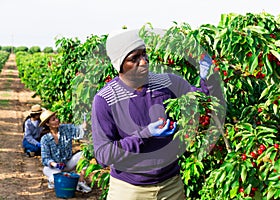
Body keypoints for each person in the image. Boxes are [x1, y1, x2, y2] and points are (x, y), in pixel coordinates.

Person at [91, 29, 212, 200]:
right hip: (130, 190)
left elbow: (202, 101)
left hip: (171, 185)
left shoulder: (167, 83)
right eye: (134, 58)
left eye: (144, 54)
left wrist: (207, 78)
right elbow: (103, 155)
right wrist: (145, 135)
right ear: (119, 64)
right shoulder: (105, 100)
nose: (144, 62)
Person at [39, 109, 92, 193]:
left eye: (56, 118)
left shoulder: (65, 129)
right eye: (53, 119)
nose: (57, 120)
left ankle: (81, 181)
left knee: (84, 154)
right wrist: (55, 164)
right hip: (54, 168)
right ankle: (53, 181)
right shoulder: (45, 139)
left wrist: (84, 125)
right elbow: (45, 158)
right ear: (47, 124)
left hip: (67, 163)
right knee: (54, 175)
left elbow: (78, 129)